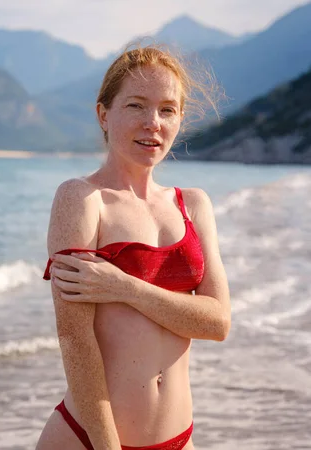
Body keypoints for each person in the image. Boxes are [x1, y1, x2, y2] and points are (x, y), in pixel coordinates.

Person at [35, 44, 231, 450]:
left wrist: (126, 288)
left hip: (180, 438)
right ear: (103, 114)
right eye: (136, 106)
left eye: (167, 110)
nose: (152, 123)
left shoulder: (193, 204)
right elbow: (75, 340)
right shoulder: (82, 199)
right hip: (90, 439)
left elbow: (217, 322)